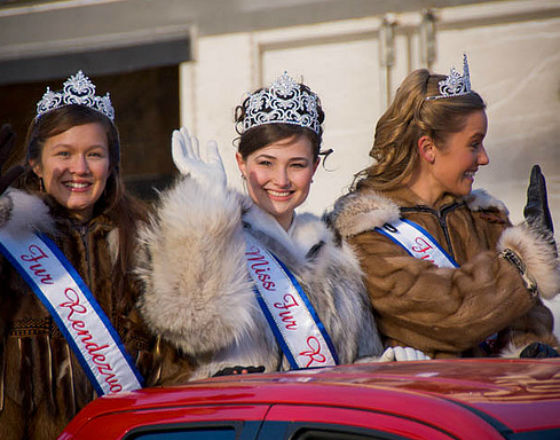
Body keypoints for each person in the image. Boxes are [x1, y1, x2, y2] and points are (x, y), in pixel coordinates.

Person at [136, 72, 426, 382]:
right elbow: (190, 327)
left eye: (297, 164)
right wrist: (203, 213)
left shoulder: (336, 253)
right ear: (241, 164)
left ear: (314, 167)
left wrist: (384, 365)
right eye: (266, 163)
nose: (282, 179)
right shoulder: (214, 241)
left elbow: (353, 363)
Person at [328, 55, 560, 359]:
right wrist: (521, 264)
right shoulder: (367, 230)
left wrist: (531, 349)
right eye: (474, 144)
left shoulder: (486, 217)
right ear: (428, 148)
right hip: (429, 400)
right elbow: (451, 315)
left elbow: (530, 317)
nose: (484, 158)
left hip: (501, 399)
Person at [0, 71, 157, 439]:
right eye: (64, 154)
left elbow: (181, 355)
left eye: (94, 155)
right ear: (36, 164)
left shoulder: (148, 241)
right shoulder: (9, 239)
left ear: (112, 164)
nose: (80, 169)